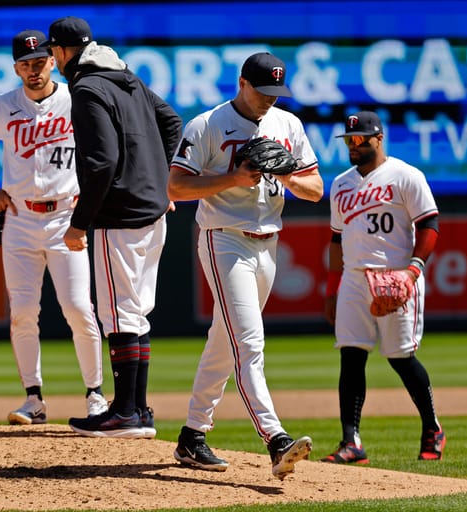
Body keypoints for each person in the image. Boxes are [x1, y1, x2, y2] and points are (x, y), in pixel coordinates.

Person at [167, 52, 320, 479]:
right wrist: (233, 178)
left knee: (224, 340)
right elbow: (176, 185)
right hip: (224, 239)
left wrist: (287, 174)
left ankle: (192, 435)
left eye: (276, 91)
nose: (270, 99)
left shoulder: (288, 125)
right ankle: (275, 439)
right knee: (248, 342)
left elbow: (315, 189)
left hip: (268, 243)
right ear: (242, 83)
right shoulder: (208, 125)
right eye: (263, 90)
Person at [43, 16, 182, 438]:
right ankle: (137, 410)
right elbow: (173, 122)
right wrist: (164, 180)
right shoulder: (128, 79)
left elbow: (101, 164)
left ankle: (124, 412)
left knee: (119, 313)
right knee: (136, 312)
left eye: (54, 51)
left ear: (62, 52)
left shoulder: (85, 88)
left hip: (118, 217)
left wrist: (78, 223)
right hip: (153, 211)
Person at [0, 29, 108, 425]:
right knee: (22, 312)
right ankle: (33, 398)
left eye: (39, 62)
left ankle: (96, 395)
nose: (33, 71)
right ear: (15, 68)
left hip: (66, 217)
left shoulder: (75, 99)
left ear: (53, 60)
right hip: (20, 218)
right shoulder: (3, 107)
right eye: (24, 65)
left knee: (78, 308)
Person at [322, 110, 445, 464]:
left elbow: (430, 225)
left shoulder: (405, 176)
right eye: (349, 140)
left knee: (400, 357)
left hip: (396, 276)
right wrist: (332, 287)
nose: (353, 145)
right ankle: (351, 442)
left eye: (359, 138)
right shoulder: (342, 183)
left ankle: (432, 427)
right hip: (355, 280)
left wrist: (412, 271)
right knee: (351, 354)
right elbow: (335, 239)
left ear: (379, 138)